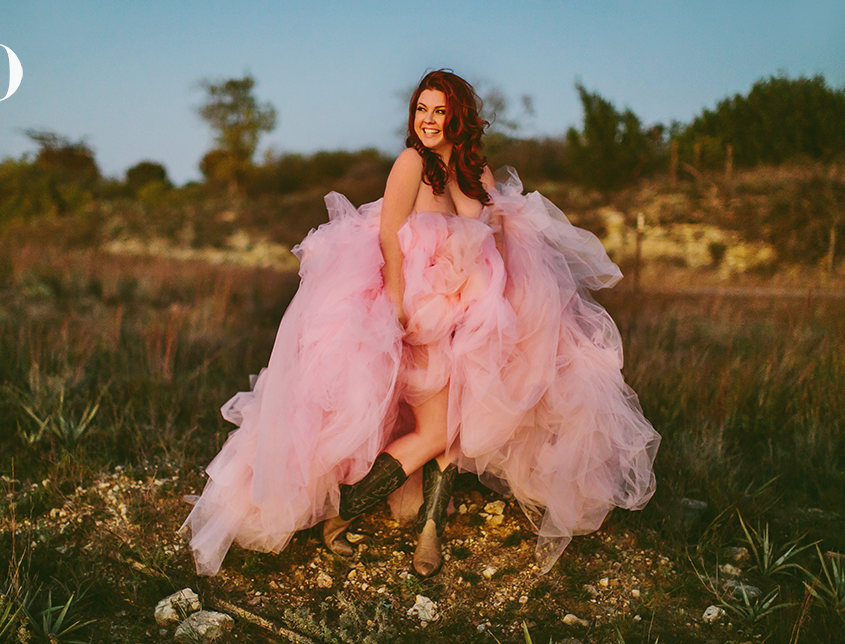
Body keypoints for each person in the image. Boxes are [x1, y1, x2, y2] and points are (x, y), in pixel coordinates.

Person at [181, 70, 660, 579]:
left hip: (473, 310)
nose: (427, 121)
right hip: (421, 306)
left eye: (438, 111)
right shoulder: (412, 162)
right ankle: (345, 508)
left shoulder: (477, 173)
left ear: (459, 118)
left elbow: (498, 239)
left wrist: (511, 304)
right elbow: (389, 235)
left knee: (458, 423)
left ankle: (429, 529)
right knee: (435, 430)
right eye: (421, 110)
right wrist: (397, 303)